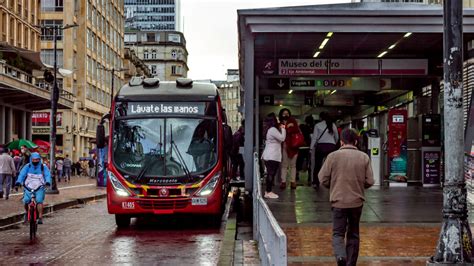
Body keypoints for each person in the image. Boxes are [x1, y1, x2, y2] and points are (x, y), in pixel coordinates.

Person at [318, 128, 374, 266]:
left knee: (338, 233)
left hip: (338, 201)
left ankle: (341, 257)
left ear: (341, 142)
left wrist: (334, 186)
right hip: (357, 202)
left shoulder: (332, 156)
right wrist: (359, 187)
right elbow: (370, 181)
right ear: (356, 141)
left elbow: (322, 179)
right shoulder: (364, 157)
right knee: (353, 233)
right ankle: (350, 263)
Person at [15, 152, 52, 225]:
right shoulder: (27, 166)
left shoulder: (43, 166)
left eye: (37, 160)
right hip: (28, 187)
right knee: (26, 201)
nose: (35, 161)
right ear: (31, 159)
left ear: (39, 159)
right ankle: (26, 212)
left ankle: (40, 217)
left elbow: (47, 175)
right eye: (34, 160)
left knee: (39, 201)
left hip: (40, 187)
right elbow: (22, 175)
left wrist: (48, 182)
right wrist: (18, 182)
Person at [310, 112, 339, 189]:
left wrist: (311, 148)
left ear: (320, 118)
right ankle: (332, 181)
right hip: (331, 147)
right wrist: (333, 144)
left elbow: (314, 138)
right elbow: (337, 137)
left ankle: (316, 182)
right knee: (331, 166)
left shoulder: (318, 125)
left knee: (318, 165)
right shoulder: (333, 125)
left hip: (321, 146)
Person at [261, 113, 286, 199]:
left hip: (270, 155)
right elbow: (282, 138)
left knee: (271, 173)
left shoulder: (270, 129)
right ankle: (268, 191)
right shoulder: (272, 130)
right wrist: (283, 128)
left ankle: (268, 191)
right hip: (272, 155)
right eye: (276, 117)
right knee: (271, 173)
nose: (278, 118)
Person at [279, 108, 300, 190]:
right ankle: (283, 181)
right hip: (284, 145)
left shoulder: (293, 121)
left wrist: (288, 127)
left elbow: (296, 130)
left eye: (287, 113)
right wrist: (288, 127)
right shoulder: (279, 123)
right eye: (284, 113)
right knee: (284, 164)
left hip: (293, 145)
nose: (285, 115)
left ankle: (293, 182)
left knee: (293, 165)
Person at [296, 115, 314, 185]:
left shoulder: (301, 127)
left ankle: (296, 174)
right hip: (309, 147)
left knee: (298, 161)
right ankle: (310, 176)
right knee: (309, 161)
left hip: (300, 146)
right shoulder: (313, 128)